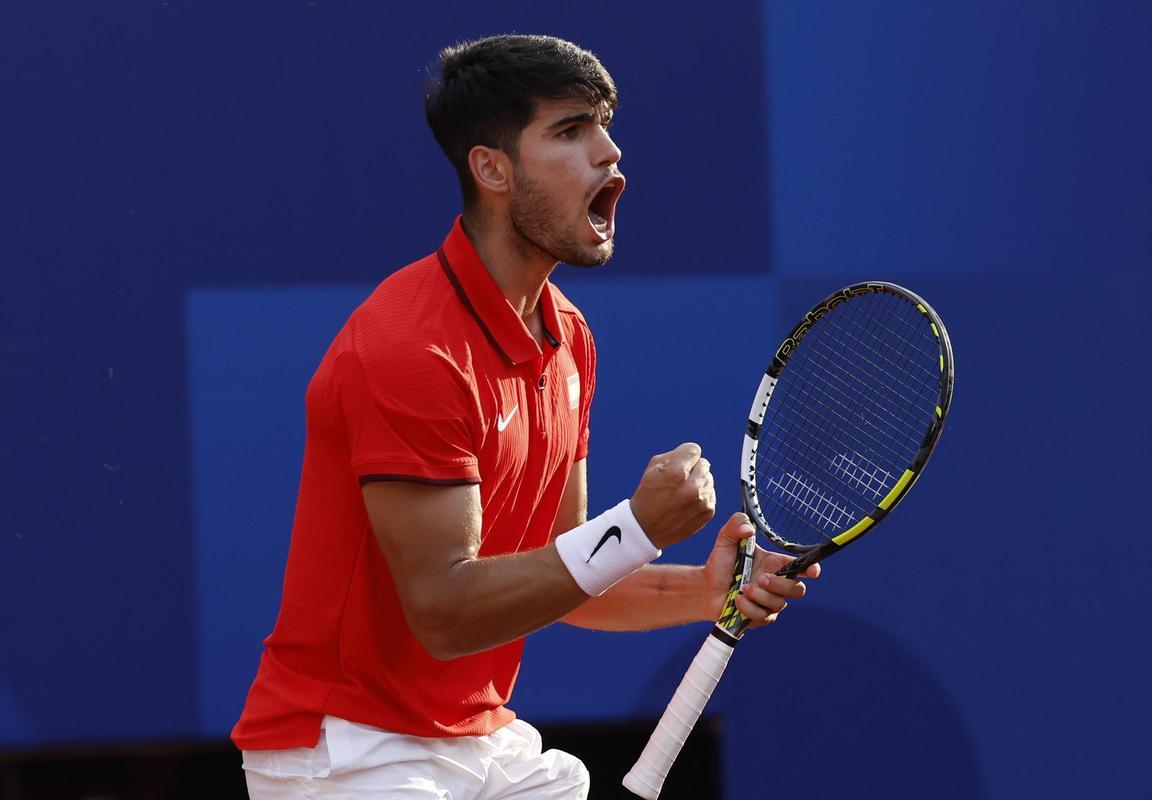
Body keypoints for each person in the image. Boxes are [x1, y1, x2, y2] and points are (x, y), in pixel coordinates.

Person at [232, 33, 819, 799]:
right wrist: (636, 527)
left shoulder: (568, 336)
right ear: (492, 168)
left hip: (483, 743)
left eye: (605, 126)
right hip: (349, 754)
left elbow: (564, 570)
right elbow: (444, 613)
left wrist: (706, 594)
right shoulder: (411, 348)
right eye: (571, 131)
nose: (609, 153)